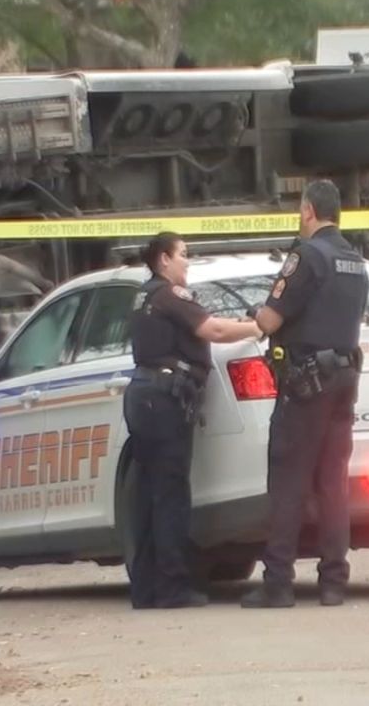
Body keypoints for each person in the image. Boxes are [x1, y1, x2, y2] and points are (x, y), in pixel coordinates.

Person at [242, 180, 369, 609]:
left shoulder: (307, 256)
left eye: (301, 210)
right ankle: (334, 581)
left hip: (306, 382)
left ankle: (278, 582)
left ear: (309, 210)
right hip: (345, 380)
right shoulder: (356, 261)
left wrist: (256, 314)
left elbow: (271, 321)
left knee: (289, 480)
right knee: (333, 481)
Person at [126, 232, 263, 609]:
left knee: (148, 497)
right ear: (164, 260)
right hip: (164, 400)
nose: (188, 261)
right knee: (170, 495)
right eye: (183, 255)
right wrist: (258, 327)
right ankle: (172, 588)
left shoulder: (144, 295)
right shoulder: (171, 295)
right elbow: (212, 331)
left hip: (145, 397)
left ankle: (146, 588)